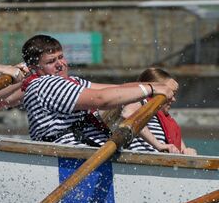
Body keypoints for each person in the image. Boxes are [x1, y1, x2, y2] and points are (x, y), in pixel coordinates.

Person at [21, 34, 177, 147]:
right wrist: (151, 88)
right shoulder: (45, 85)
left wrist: (156, 86)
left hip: (91, 155)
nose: (60, 64)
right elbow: (102, 99)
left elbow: (117, 90)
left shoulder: (74, 82)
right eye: (51, 61)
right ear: (35, 68)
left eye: (61, 57)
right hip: (69, 161)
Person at [121, 68, 197, 155]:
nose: (174, 99)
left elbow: (180, 150)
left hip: (160, 163)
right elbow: (128, 114)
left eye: (174, 94)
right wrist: (158, 145)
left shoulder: (167, 120)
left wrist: (187, 151)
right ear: (154, 91)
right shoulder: (141, 102)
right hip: (141, 160)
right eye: (169, 93)